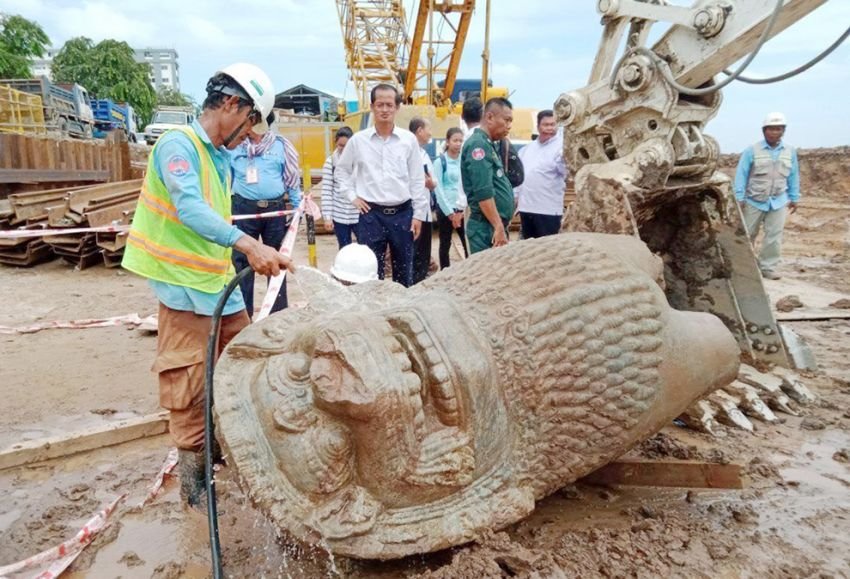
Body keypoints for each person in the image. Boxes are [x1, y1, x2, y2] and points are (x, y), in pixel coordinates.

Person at [121, 63, 294, 508]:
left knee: (245, 366)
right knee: (190, 387)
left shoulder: (220, 157)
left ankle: (228, 457)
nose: (253, 133)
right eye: (252, 120)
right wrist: (250, 246)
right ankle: (196, 495)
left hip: (220, 286)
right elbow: (191, 209)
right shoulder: (178, 145)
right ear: (232, 104)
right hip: (183, 290)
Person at [335, 83, 427, 287]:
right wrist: (352, 197)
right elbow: (341, 171)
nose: (384, 110)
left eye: (389, 105)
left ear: (397, 108)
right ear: (372, 106)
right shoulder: (358, 141)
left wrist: (419, 214)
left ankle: (400, 313)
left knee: (404, 272)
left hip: (403, 214)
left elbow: (417, 179)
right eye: (380, 105)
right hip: (371, 216)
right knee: (369, 275)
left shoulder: (408, 140)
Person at [228, 118, 302, 318]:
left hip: (274, 211)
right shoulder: (235, 147)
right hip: (244, 210)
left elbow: (292, 180)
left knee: (276, 262)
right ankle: (242, 317)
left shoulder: (281, 146)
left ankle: (278, 317)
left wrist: (297, 208)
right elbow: (227, 179)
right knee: (242, 262)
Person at [734, 111, 801, 280]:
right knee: (747, 235)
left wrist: (794, 197)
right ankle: (743, 268)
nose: (774, 132)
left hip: (778, 201)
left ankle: (768, 268)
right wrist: (739, 197)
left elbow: (793, 175)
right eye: (771, 129)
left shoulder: (789, 151)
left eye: (778, 129)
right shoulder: (752, 150)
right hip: (754, 200)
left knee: (774, 237)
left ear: (783, 131)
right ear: (764, 131)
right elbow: (741, 174)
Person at [461, 97, 515, 254]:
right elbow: (483, 192)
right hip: (485, 229)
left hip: (491, 226)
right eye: (506, 120)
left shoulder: (488, 143)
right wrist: (498, 226)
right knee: (483, 276)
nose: (509, 126)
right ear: (490, 117)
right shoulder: (479, 145)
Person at [514, 110, 568, 238]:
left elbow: (565, 172)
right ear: (538, 127)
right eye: (546, 125)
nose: (549, 128)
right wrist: (516, 197)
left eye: (552, 125)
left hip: (548, 211)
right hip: (526, 208)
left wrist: (564, 159)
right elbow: (518, 176)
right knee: (529, 249)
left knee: (548, 251)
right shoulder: (527, 149)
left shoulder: (561, 148)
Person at [433, 127, 468, 268]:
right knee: (445, 244)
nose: (458, 143)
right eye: (455, 140)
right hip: (446, 210)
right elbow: (438, 189)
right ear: (447, 142)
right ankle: (445, 272)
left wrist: (461, 210)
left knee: (467, 243)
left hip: (462, 209)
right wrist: (450, 212)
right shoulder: (440, 162)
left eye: (460, 140)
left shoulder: (464, 161)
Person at [321, 126, 360, 248]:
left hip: (359, 214)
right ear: (336, 143)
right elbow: (327, 191)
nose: (343, 149)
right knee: (344, 249)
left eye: (347, 146)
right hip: (340, 216)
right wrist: (327, 217)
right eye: (340, 145)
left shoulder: (360, 161)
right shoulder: (330, 162)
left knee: (365, 248)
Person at [409, 116, 436, 284]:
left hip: (425, 210)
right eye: (428, 129)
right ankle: (412, 281)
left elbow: (433, 182)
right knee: (414, 248)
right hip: (412, 211)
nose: (430, 133)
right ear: (419, 130)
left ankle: (421, 279)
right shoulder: (408, 151)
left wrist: (430, 183)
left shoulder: (424, 153)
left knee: (424, 249)